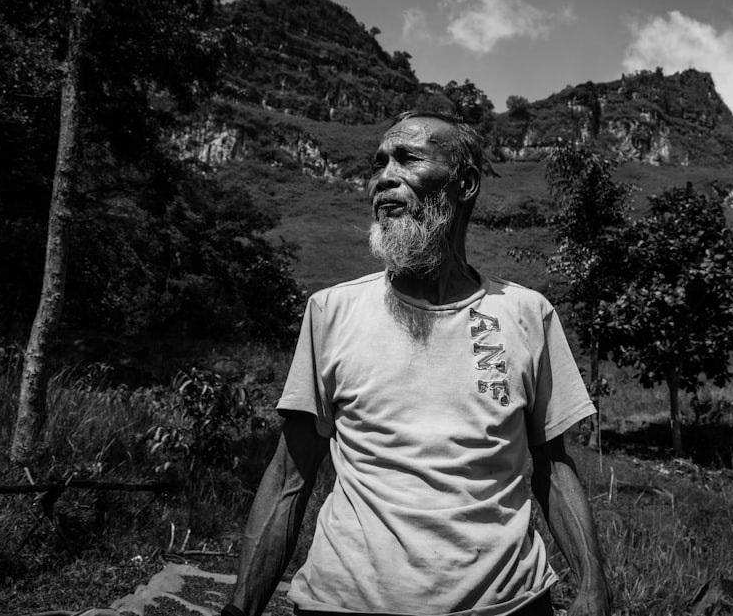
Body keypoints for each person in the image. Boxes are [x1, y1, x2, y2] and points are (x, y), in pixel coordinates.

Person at [223, 112, 611, 616]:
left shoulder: (526, 313)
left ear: (465, 183)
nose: (383, 176)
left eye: (407, 158)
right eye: (379, 162)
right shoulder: (332, 311)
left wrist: (594, 587)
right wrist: (239, 609)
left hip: (508, 605)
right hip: (345, 605)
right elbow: (288, 478)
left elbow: (553, 467)